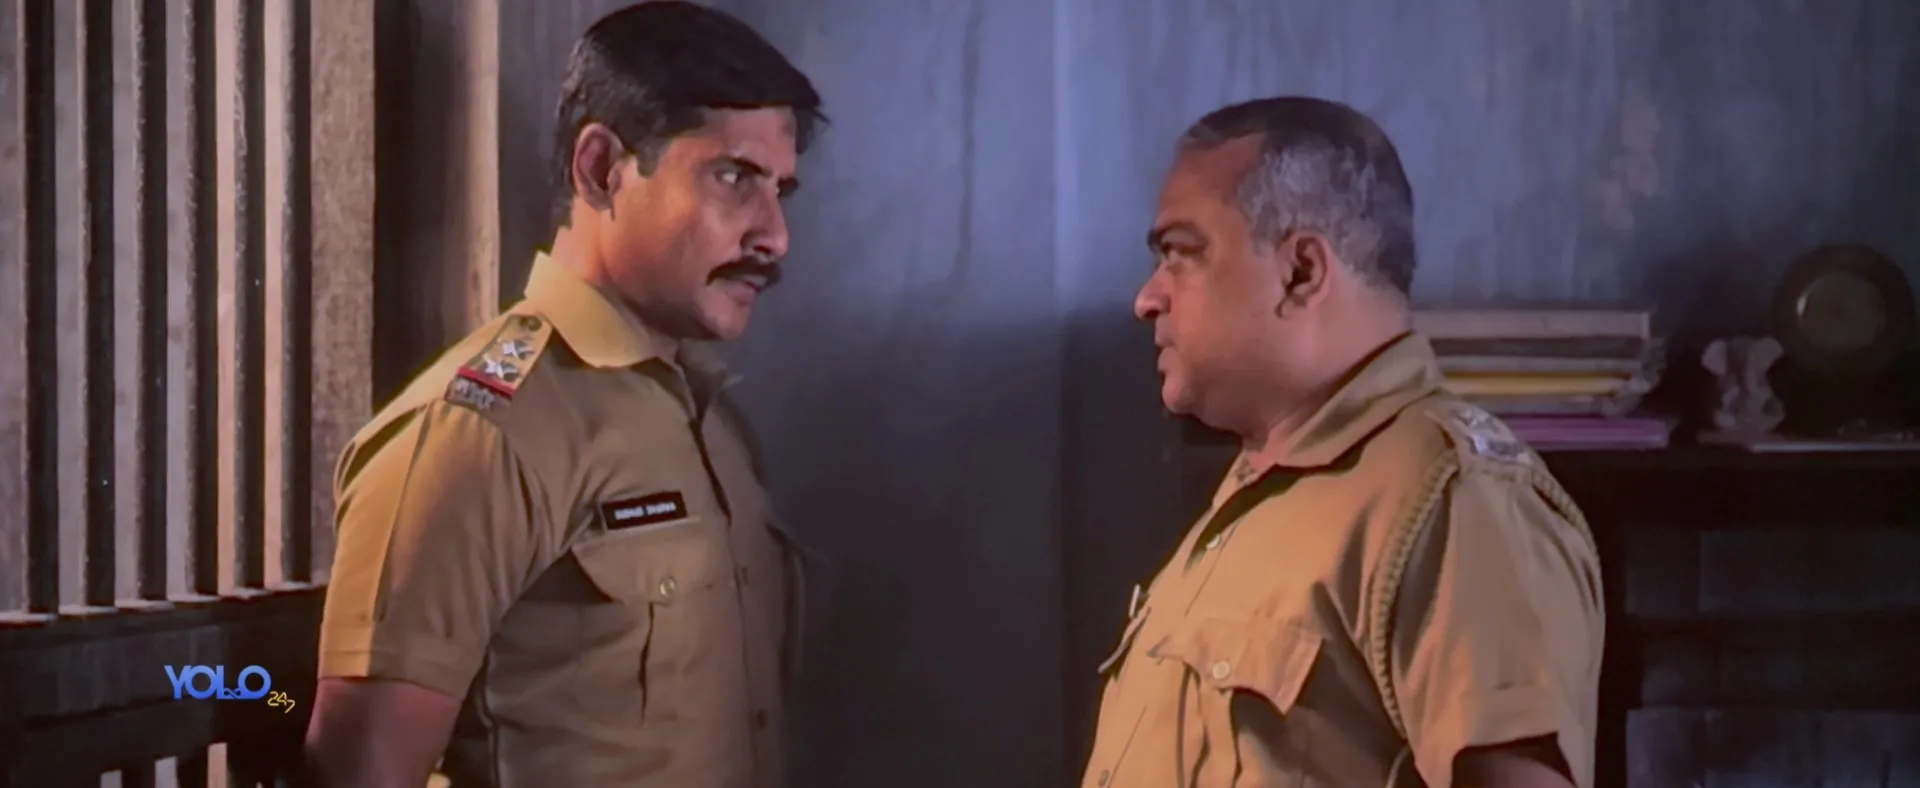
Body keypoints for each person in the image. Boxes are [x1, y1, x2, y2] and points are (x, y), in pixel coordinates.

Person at [303, 4, 824, 786]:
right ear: (601, 169)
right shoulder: (479, 434)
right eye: (733, 178)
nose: (773, 235)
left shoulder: (712, 424)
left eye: (780, 190)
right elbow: (362, 773)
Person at [1079, 97, 1604, 788]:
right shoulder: (1261, 495)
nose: (1147, 299)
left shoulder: (1455, 503)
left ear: (1301, 272)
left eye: (1181, 254)